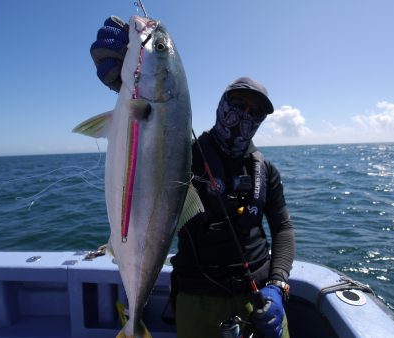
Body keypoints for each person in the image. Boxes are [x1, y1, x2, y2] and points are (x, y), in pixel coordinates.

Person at [91, 17, 295, 338]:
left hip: (260, 298)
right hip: (196, 298)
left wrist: (278, 281)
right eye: (237, 103)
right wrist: (125, 83)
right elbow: (153, 144)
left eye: (255, 112)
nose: (244, 115)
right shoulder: (189, 156)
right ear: (221, 104)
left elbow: (282, 228)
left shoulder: (265, 170)